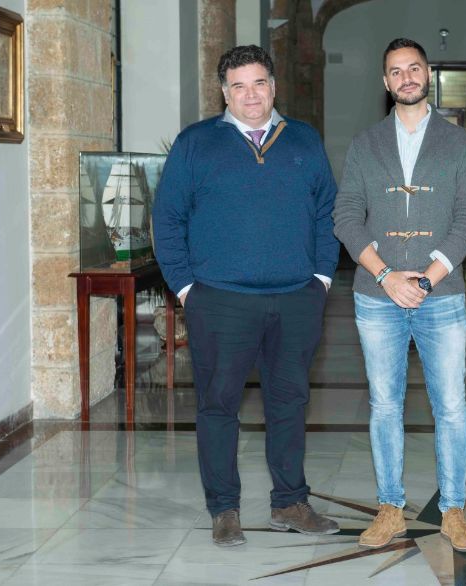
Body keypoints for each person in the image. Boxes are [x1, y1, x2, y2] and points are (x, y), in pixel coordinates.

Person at [153, 45, 340, 547]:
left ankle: (290, 502)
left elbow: (328, 213)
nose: (250, 94)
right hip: (220, 300)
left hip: (296, 298)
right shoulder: (196, 143)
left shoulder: (303, 139)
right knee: (218, 406)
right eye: (238, 85)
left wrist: (321, 278)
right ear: (224, 92)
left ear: (274, 86)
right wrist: (188, 288)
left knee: (289, 402)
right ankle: (224, 509)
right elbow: (167, 219)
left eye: (259, 83)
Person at [333, 38, 466, 552]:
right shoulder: (364, 145)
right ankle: (390, 508)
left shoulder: (461, 145)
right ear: (385, 82)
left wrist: (427, 275)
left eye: (414, 68)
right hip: (377, 297)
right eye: (395, 71)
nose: (406, 77)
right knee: (383, 406)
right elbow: (346, 216)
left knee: (451, 407)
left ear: (428, 75)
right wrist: (386, 276)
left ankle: (455, 511)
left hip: (439, 297)